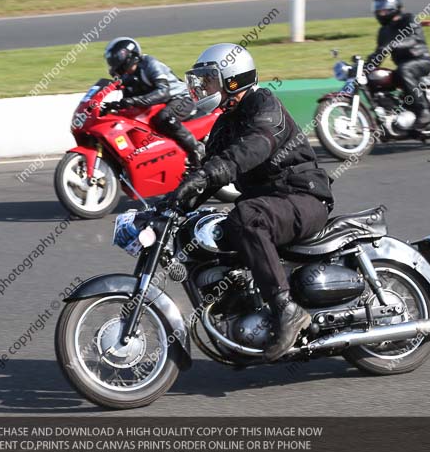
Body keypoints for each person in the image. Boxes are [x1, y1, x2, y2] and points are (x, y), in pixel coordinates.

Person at [173, 43, 334, 361]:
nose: (203, 88)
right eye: (201, 82)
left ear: (233, 80)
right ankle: (237, 310)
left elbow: (255, 146)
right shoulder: (224, 124)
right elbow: (213, 173)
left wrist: (210, 174)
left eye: (209, 80)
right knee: (201, 230)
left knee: (246, 218)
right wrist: (174, 202)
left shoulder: (264, 105)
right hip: (273, 205)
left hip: (302, 197)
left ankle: (287, 309)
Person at [103, 37, 205, 165]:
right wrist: (114, 107)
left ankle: (196, 149)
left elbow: (163, 92)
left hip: (182, 97)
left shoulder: (149, 63)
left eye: (117, 58)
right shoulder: (127, 77)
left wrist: (134, 100)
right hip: (162, 103)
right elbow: (127, 102)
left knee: (164, 117)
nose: (114, 63)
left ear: (130, 55)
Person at [367, 0, 430, 131]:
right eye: (378, 9)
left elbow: (413, 39)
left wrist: (393, 44)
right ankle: (387, 114)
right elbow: (380, 52)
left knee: (404, 70)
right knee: (375, 76)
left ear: (394, 8)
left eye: (384, 9)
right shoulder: (383, 31)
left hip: (420, 60)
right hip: (402, 66)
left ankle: (423, 111)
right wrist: (366, 66)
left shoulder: (409, 19)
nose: (380, 12)